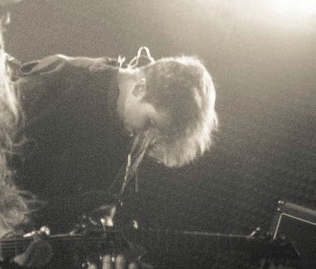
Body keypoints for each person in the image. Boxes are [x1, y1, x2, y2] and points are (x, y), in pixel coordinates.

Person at [15, 51, 218, 231]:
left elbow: (102, 203)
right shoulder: (65, 78)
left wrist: (103, 220)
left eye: (160, 133)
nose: (149, 137)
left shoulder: (138, 131)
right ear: (140, 88)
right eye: (151, 123)